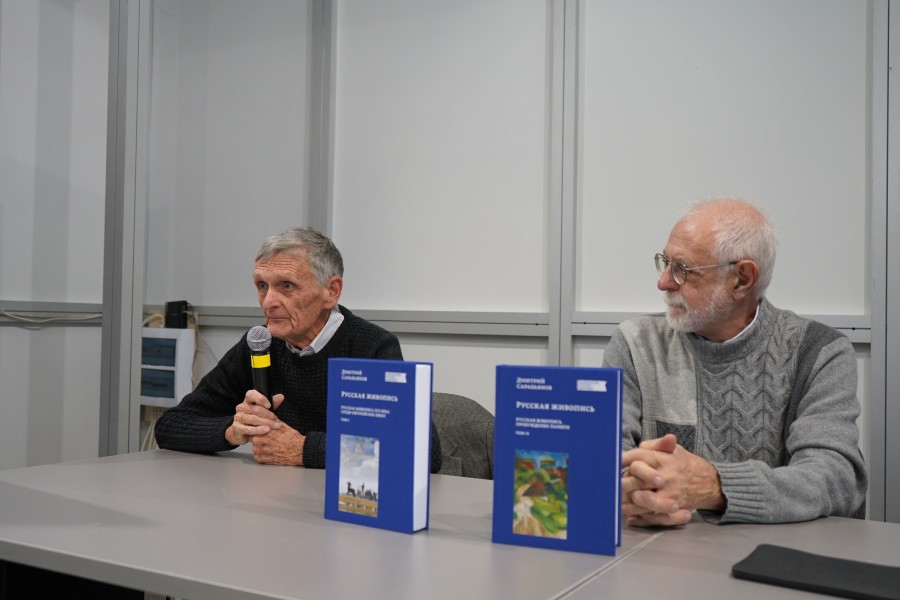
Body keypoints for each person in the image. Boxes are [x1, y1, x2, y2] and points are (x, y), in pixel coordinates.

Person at [603, 197, 867, 527]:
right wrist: (639, 489)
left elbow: (835, 478)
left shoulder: (819, 352)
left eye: (682, 269)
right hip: (661, 550)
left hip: (773, 552)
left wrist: (714, 487)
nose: (663, 282)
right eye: (665, 262)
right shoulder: (635, 343)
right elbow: (604, 459)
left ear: (742, 279)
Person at [155, 226, 442, 472]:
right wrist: (233, 430)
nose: (269, 302)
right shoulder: (259, 344)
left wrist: (303, 449)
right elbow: (170, 425)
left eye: (287, 286)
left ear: (331, 291)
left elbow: (421, 452)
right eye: (262, 286)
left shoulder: (370, 346)